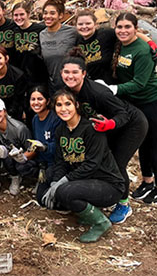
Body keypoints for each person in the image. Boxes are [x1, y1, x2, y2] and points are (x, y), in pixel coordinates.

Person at [60, 49, 148, 224]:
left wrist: (110, 124)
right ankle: (103, 195)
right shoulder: (67, 90)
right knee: (102, 159)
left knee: (117, 163)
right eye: (66, 72)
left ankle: (124, 204)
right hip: (105, 125)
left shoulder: (97, 92)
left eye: (75, 72)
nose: (70, 76)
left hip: (131, 124)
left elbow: (123, 114)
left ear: (84, 74)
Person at [37, 90, 124, 243]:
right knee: (45, 186)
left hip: (107, 184)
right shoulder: (61, 130)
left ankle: (101, 223)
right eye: (59, 105)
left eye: (68, 104)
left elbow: (92, 165)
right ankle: (84, 211)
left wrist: (61, 183)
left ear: (76, 105)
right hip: (83, 180)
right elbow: (60, 161)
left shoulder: (91, 129)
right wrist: (54, 183)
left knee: (63, 191)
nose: (63, 109)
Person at [111, 12, 157, 204]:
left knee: (154, 144)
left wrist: (115, 89)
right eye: (119, 27)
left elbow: (139, 83)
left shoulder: (143, 50)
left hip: (156, 101)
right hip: (138, 103)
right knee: (143, 143)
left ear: (135, 29)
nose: (123, 30)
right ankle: (147, 182)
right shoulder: (120, 44)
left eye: (127, 27)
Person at [75, 9, 157, 85]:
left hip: (110, 85)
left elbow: (130, 33)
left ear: (95, 24)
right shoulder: (75, 40)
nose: (84, 27)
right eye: (80, 24)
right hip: (89, 83)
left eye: (88, 23)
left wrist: (150, 43)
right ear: (76, 26)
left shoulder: (105, 34)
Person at [0, 97, 34, 196]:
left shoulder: (19, 128)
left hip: (25, 157)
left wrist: (23, 157)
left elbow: (32, 149)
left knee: (23, 167)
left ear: (4, 111)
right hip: (9, 154)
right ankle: (14, 176)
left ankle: (26, 178)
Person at [39, 0, 79, 93]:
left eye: (52, 13)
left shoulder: (72, 32)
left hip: (71, 85)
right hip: (53, 85)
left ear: (60, 15)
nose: (48, 16)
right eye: (45, 13)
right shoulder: (42, 35)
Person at [11, 1, 49, 85]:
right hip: (21, 75)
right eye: (16, 15)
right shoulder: (14, 31)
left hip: (39, 75)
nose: (19, 18)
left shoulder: (40, 29)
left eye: (22, 14)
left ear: (28, 14)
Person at [29, 85, 62, 171]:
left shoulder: (55, 119)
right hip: (42, 161)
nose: (36, 102)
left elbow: (59, 146)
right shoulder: (35, 119)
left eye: (40, 99)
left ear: (47, 101)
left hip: (55, 162)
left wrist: (45, 147)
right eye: (33, 99)